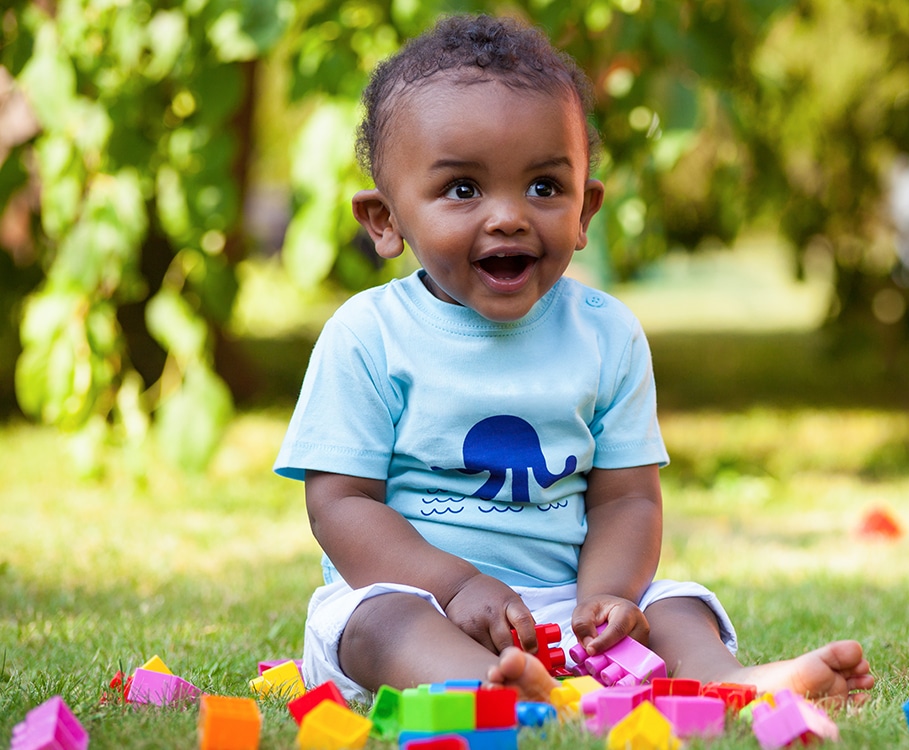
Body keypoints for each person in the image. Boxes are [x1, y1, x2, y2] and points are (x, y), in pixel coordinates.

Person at [274, 13, 874, 707]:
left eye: (544, 187)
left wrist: (607, 598)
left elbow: (626, 498)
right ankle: (495, 692)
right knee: (379, 623)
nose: (508, 217)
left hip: (566, 607)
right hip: (422, 601)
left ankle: (733, 686)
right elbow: (341, 504)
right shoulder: (368, 335)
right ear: (385, 220)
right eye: (463, 189)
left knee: (679, 606)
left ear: (585, 209)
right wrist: (457, 586)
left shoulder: (606, 336)